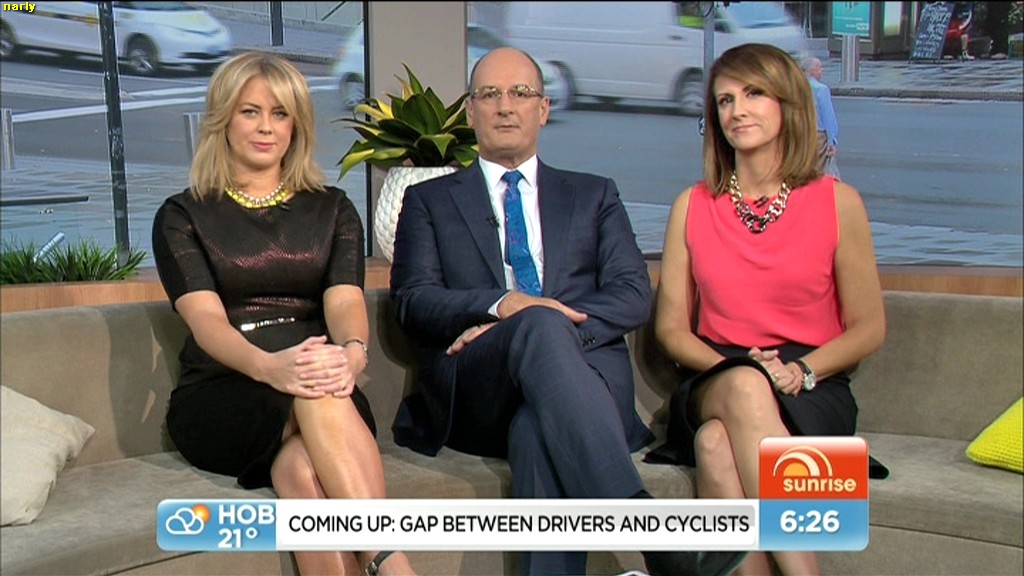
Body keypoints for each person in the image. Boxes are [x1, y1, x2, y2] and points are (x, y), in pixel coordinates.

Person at [388, 46, 746, 576]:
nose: (505, 106)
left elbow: (632, 293)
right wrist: (502, 306)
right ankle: (653, 536)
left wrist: (541, 325)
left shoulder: (593, 194)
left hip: (584, 379)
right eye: (489, 94)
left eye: (520, 93)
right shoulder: (430, 200)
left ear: (543, 109)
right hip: (480, 386)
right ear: (471, 112)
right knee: (532, 321)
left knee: (538, 426)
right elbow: (413, 300)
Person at [152, 52, 415, 576]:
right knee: (313, 389)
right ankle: (391, 561)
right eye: (250, 111)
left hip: (321, 385)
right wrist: (272, 367)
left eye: (280, 113)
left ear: (296, 125)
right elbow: (207, 322)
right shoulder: (182, 215)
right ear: (223, 119)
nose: (266, 127)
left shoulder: (333, 208)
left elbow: (344, 299)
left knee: (300, 472)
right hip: (225, 390)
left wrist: (353, 354)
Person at [648, 43, 885, 575]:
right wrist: (740, 371)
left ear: (788, 104)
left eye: (753, 94)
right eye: (725, 100)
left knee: (715, 444)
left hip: (812, 385)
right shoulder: (691, 205)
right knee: (740, 391)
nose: (737, 110)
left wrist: (801, 371)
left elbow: (869, 327)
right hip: (715, 375)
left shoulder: (838, 202)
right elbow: (672, 330)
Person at [801, 56, 841, 180]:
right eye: (819, 67)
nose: (822, 70)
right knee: (818, 173)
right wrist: (832, 141)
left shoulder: (795, 87)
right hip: (817, 136)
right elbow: (828, 117)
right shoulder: (821, 89)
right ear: (812, 70)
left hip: (800, 134)